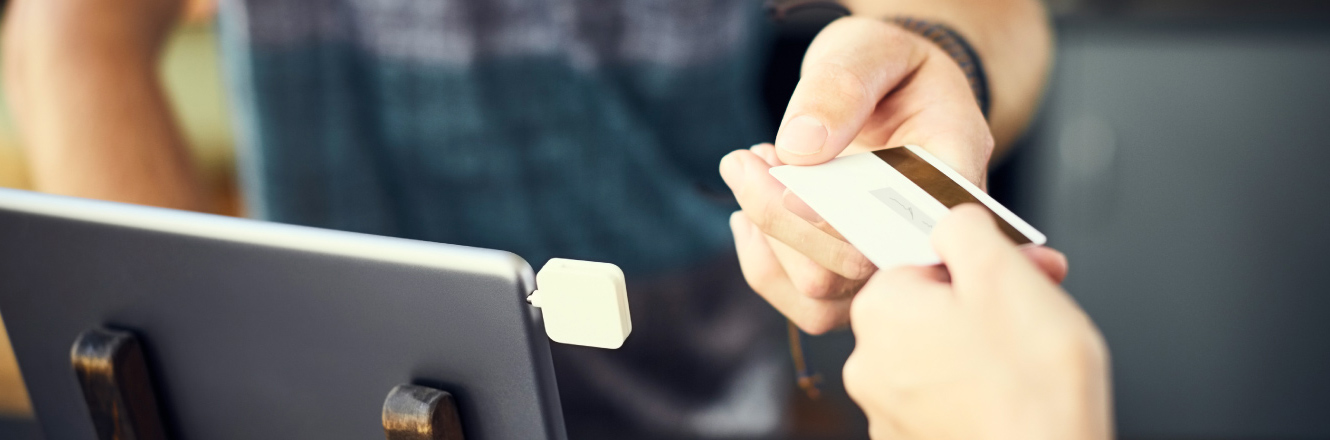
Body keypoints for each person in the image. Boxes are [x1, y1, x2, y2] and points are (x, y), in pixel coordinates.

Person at [5, 0, 1052, 437]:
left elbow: (999, 16)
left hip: (693, 387)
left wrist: (937, 51)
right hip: (311, 389)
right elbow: (73, 30)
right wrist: (189, 372)